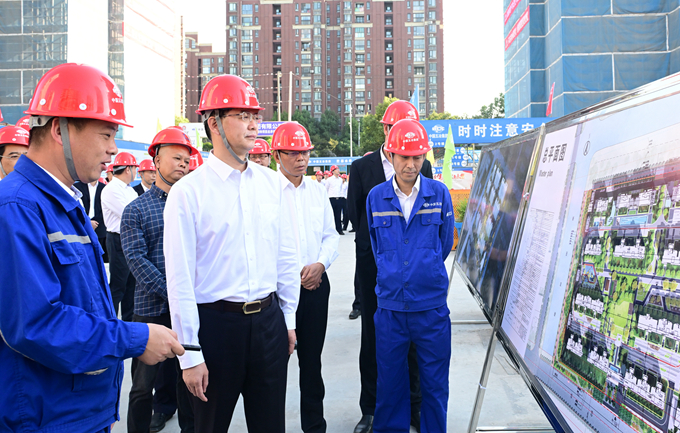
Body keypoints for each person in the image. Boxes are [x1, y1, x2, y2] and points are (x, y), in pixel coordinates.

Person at [0, 62, 183, 433]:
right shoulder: (17, 207)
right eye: (106, 135)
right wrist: (134, 338)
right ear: (59, 130)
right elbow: (36, 324)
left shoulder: (65, 202)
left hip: (82, 410)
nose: (113, 150)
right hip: (48, 417)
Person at [164, 74, 300, 433]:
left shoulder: (273, 184)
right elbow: (179, 279)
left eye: (255, 115)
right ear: (214, 123)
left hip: (269, 323)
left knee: (271, 425)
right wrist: (190, 354)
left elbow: (286, 255)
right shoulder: (188, 193)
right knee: (208, 426)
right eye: (243, 116)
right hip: (216, 328)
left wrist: (288, 318)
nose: (254, 124)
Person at [347, 99, 432, 433]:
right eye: (396, 128)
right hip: (375, 268)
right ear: (385, 129)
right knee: (373, 337)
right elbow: (356, 215)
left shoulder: (422, 165)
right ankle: (371, 409)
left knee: (413, 338)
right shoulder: (362, 168)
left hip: (413, 270)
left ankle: (414, 406)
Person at [367, 119, 453, 433]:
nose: (411, 164)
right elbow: (376, 247)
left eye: (417, 157)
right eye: (404, 157)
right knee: (390, 386)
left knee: (434, 385)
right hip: (390, 309)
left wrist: (423, 270)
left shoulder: (439, 194)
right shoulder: (376, 197)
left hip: (431, 308)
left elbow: (445, 243)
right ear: (390, 156)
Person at [122, 127, 197, 433]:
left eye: (186, 160)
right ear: (156, 160)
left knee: (188, 379)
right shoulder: (136, 209)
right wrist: (174, 292)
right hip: (150, 310)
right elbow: (136, 261)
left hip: (188, 309)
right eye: (176, 158)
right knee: (142, 387)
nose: (183, 164)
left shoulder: (193, 205)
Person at [271, 122, 339, 433]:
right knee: (273, 369)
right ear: (277, 155)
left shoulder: (317, 191)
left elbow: (331, 236)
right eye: (293, 153)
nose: (301, 159)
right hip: (276, 295)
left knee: (311, 364)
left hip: (314, 288)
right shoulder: (266, 192)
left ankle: (314, 426)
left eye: (305, 152)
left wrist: (320, 265)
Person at [102, 151, 140, 321]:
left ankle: (128, 321)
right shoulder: (111, 189)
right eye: (135, 168)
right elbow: (130, 214)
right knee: (118, 285)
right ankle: (110, 321)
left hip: (130, 239)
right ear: (127, 169)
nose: (135, 172)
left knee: (131, 285)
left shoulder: (129, 190)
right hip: (117, 239)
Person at [74, 177, 109, 262]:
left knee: (100, 258)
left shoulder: (105, 188)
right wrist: (87, 222)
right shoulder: (76, 187)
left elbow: (106, 209)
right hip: (81, 225)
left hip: (100, 227)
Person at [326, 165, 344, 235]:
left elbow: (340, 189)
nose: (338, 170)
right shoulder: (329, 180)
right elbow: (326, 189)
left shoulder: (340, 180)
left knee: (338, 215)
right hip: (331, 199)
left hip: (338, 198)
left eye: (338, 169)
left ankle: (339, 229)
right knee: (331, 215)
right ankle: (331, 230)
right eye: (336, 169)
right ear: (333, 171)